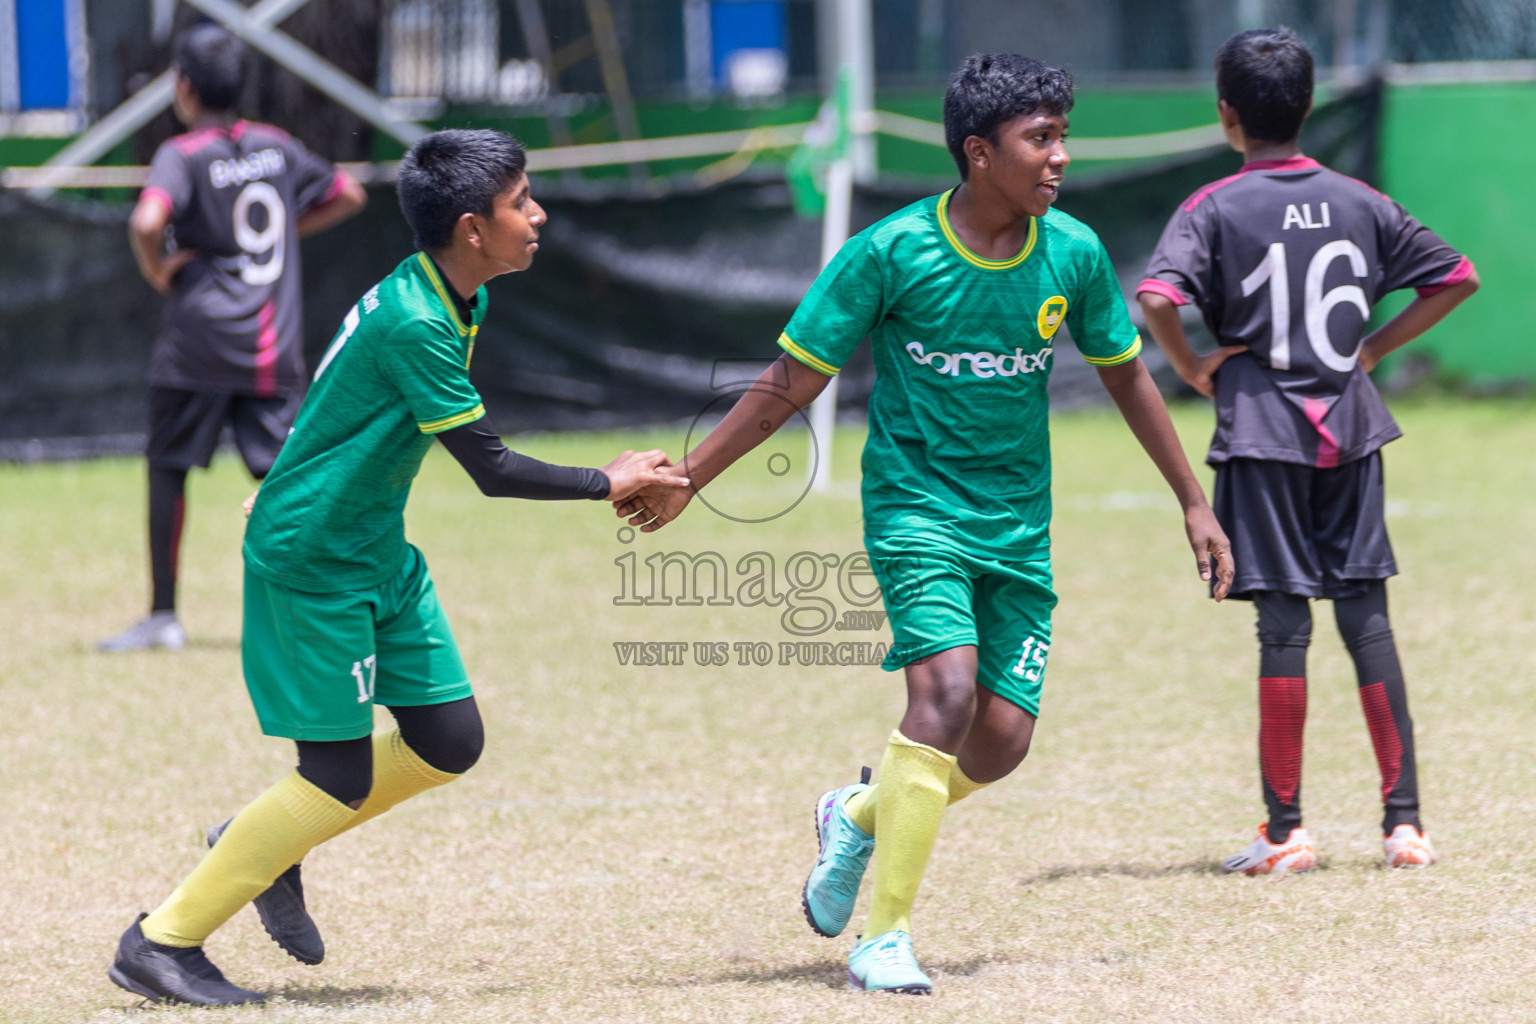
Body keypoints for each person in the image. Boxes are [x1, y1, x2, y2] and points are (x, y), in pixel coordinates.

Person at [616, 53, 1233, 994]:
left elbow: (1125, 375)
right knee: (940, 700)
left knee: (1001, 743)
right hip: (917, 514)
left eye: (1063, 136)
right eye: (1041, 139)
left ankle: (857, 815)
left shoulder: (1070, 251)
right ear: (980, 153)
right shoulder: (890, 252)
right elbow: (793, 382)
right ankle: (884, 939)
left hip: (1018, 528)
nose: (1059, 157)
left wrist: (1193, 500)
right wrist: (694, 476)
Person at [107, 128, 691, 1006]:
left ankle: (262, 842)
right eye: (520, 203)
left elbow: (344, 389)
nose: (538, 215)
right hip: (315, 562)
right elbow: (490, 469)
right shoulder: (418, 319)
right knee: (335, 774)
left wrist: (296, 471)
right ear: (471, 228)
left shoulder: (454, 297)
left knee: (449, 741)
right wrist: (607, 480)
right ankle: (160, 941)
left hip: (375, 547)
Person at [1136, 28, 1478, 875]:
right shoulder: (1360, 199)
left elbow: (1154, 296)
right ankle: (1405, 826)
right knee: (1368, 619)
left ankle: (1285, 832)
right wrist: (1371, 349)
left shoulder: (1212, 206)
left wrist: (1189, 366)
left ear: (1227, 115)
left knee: (1283, 626)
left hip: (1262, 431)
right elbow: (1457, 276)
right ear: (1309, 104)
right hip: (1351, 425)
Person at [100, 23, 367, 652]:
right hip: (271, 345)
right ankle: (330, 605)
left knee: (168, 467)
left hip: (196, 343)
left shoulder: (182, 153)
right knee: (287, 476)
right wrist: (284, 239)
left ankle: (163, 616)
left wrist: (154, 268)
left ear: (184, 87)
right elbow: (350, 193)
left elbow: (147, 219)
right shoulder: (278, 146)